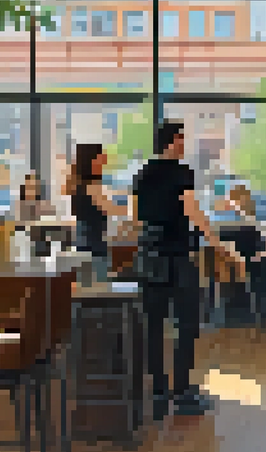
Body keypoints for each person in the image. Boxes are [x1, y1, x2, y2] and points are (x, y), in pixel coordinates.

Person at [133, 122, 218, 418]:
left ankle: (158, 388)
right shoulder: (183, 172)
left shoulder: (142, 173)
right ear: (170, 141)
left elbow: (135, 215)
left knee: (154, 326)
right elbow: (191, 209)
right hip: (179, 257)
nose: (184, 143)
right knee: (187, 324)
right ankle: (182, 391)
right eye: (181, 138)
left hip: (150, 256)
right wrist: (216, 241)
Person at [66, 143, 130, 281]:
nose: (104, 160)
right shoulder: (93, 187)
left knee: (85, 286)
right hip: (94, 245)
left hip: (82, 242)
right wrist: (134, 207)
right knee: (97, 286)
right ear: (92, 160)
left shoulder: (77, 185)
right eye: (101, 157)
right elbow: (110, 209)